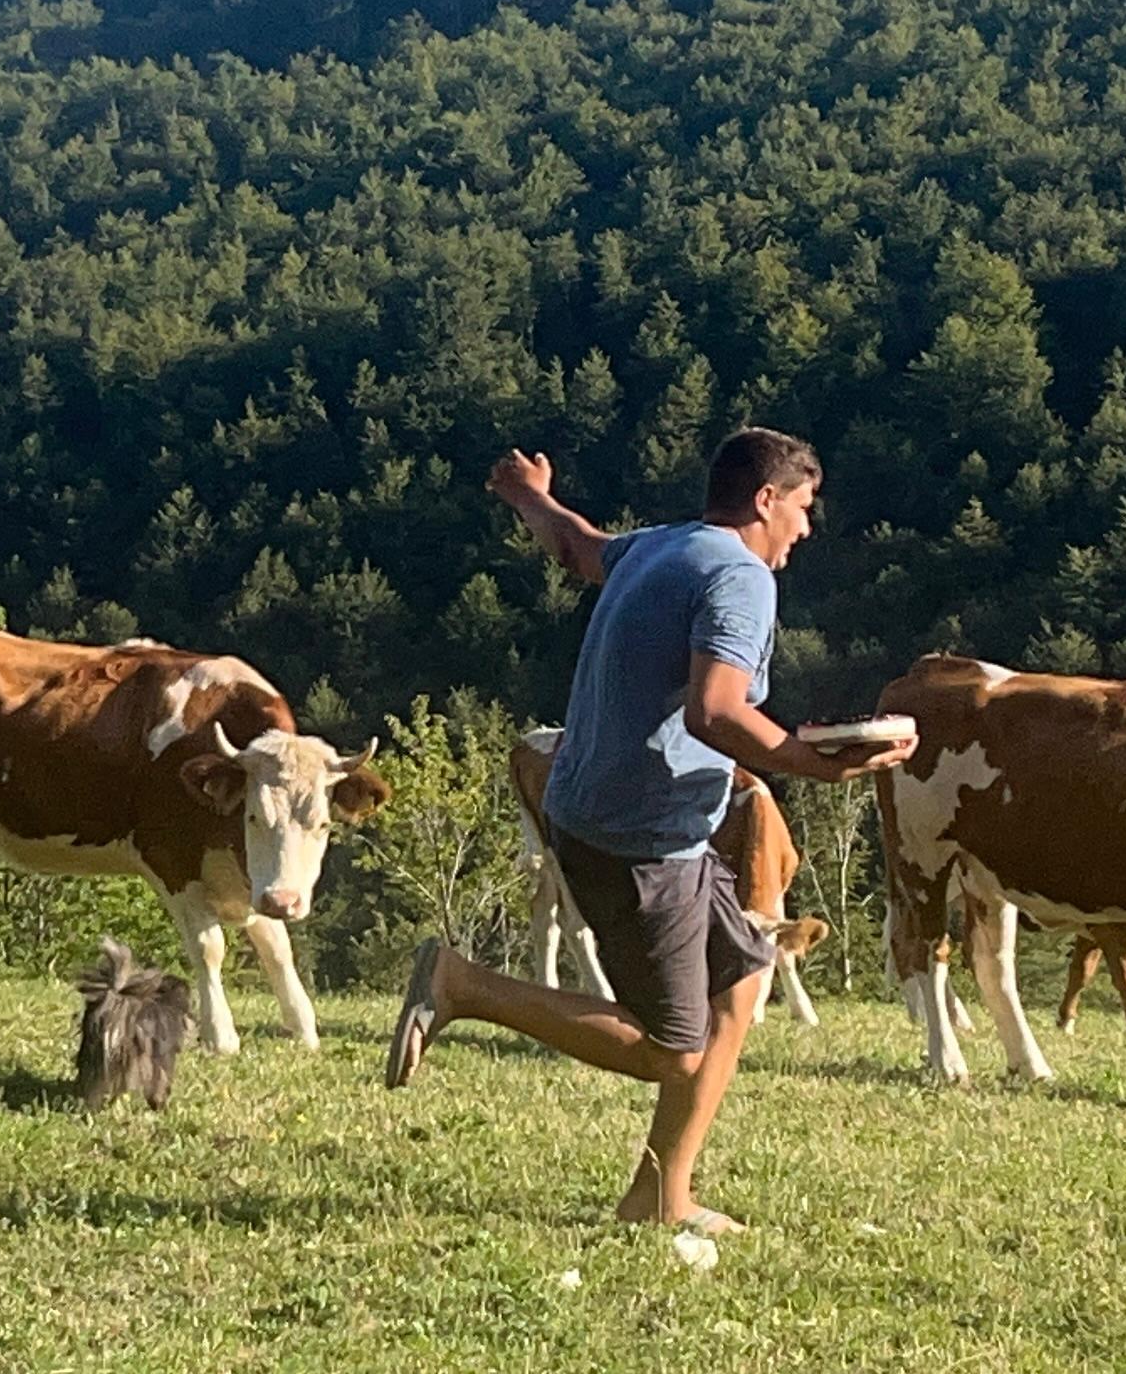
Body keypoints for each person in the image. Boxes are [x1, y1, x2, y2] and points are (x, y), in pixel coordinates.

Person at [384, 428, 914, 1235]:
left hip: (612, 811)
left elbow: (573, 546)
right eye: (803, 508)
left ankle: (659, 1195)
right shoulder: (739, 577)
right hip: (639, 838)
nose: (805, 530)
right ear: (766, 499)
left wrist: (528, 493)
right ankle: (462, 986)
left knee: (740, 982)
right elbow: (715, 709)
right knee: (671, 1049)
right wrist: (811, 761)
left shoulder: (665, 546)